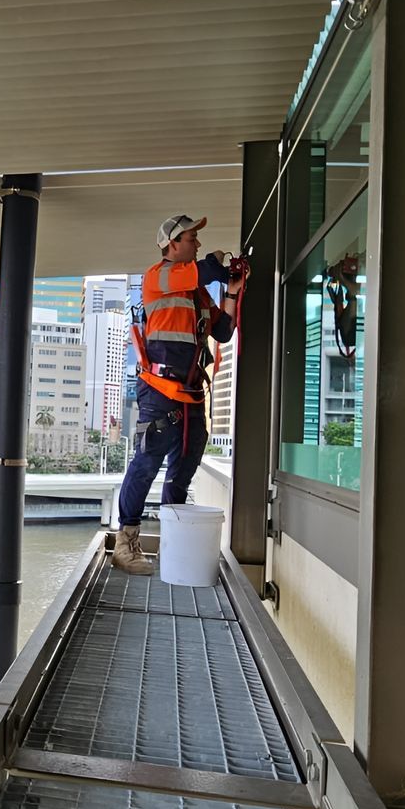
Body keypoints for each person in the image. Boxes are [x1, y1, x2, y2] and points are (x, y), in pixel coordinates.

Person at [112, 213, 245, 574]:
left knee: (183, 468)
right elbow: (204, 270)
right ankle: (125, 544)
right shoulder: (158, 276)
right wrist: (217, 264)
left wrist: (232, 291)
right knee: (146, 463)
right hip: (159, 390)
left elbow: (223, 331)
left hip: (190, 393)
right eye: (191, 238)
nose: (197, 243)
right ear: (171, 245)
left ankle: (174, 548)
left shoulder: (197, 292)